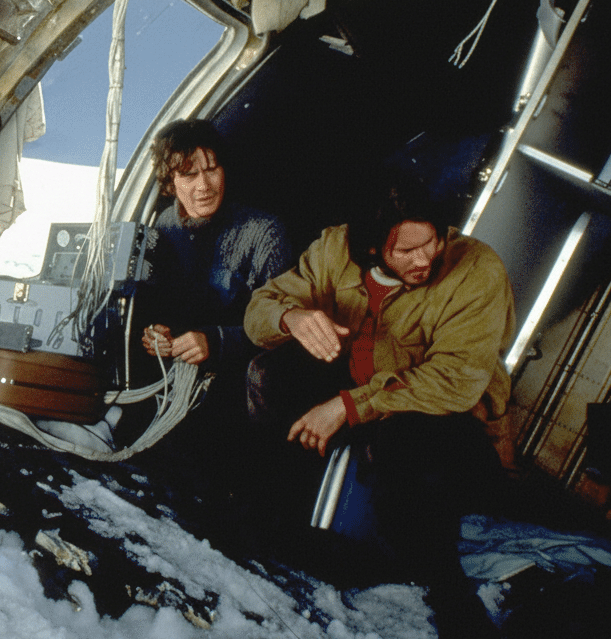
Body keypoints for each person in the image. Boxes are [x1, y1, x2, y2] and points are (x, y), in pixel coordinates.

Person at [243, 174, 514, 637]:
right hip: (357, 402)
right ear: (369, 248)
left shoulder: (476, 269)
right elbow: (260, 308)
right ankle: (273, 517)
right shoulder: (335, 249)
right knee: (269, 373)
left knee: (407, 441)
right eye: (405, 251)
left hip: (440, 423)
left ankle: (446, 589)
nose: (424, 258)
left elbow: (453, 382)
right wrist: (292, 317)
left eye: (430, 242)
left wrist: (348, 406)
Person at [136, 119, 292, 397]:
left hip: (242, 386)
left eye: (211, 170)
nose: (204, 185)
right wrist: (155, 335)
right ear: (170, 183)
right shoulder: (164, 226)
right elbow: (159, 308)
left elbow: (284, 330)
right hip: (174, 384)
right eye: (188, 175)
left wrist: (217, 342)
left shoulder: (264, 232)